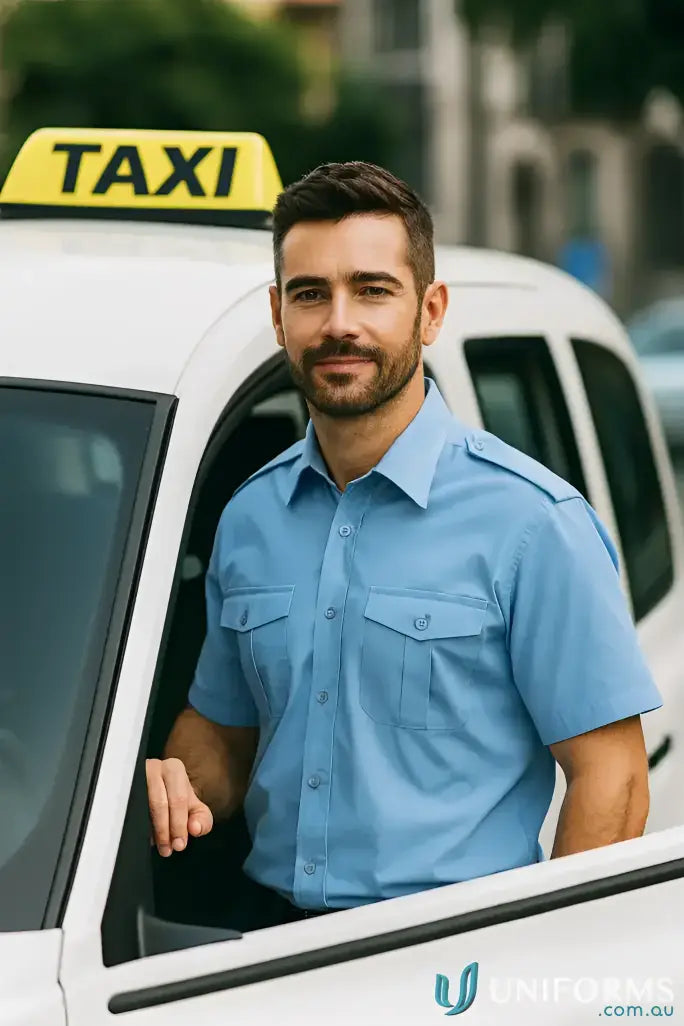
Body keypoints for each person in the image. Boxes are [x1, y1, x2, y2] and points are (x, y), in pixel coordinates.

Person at [146, 161, 662, 929]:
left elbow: (612, 781)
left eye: (372, 290)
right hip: (254, 955)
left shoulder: (532, 523)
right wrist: (176, 782)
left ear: (429, 311)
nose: (338, 323)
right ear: (279, 315)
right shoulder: (249, 517)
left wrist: (543, 968)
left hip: (445, 954)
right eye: (310, 293)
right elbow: (223, 732)